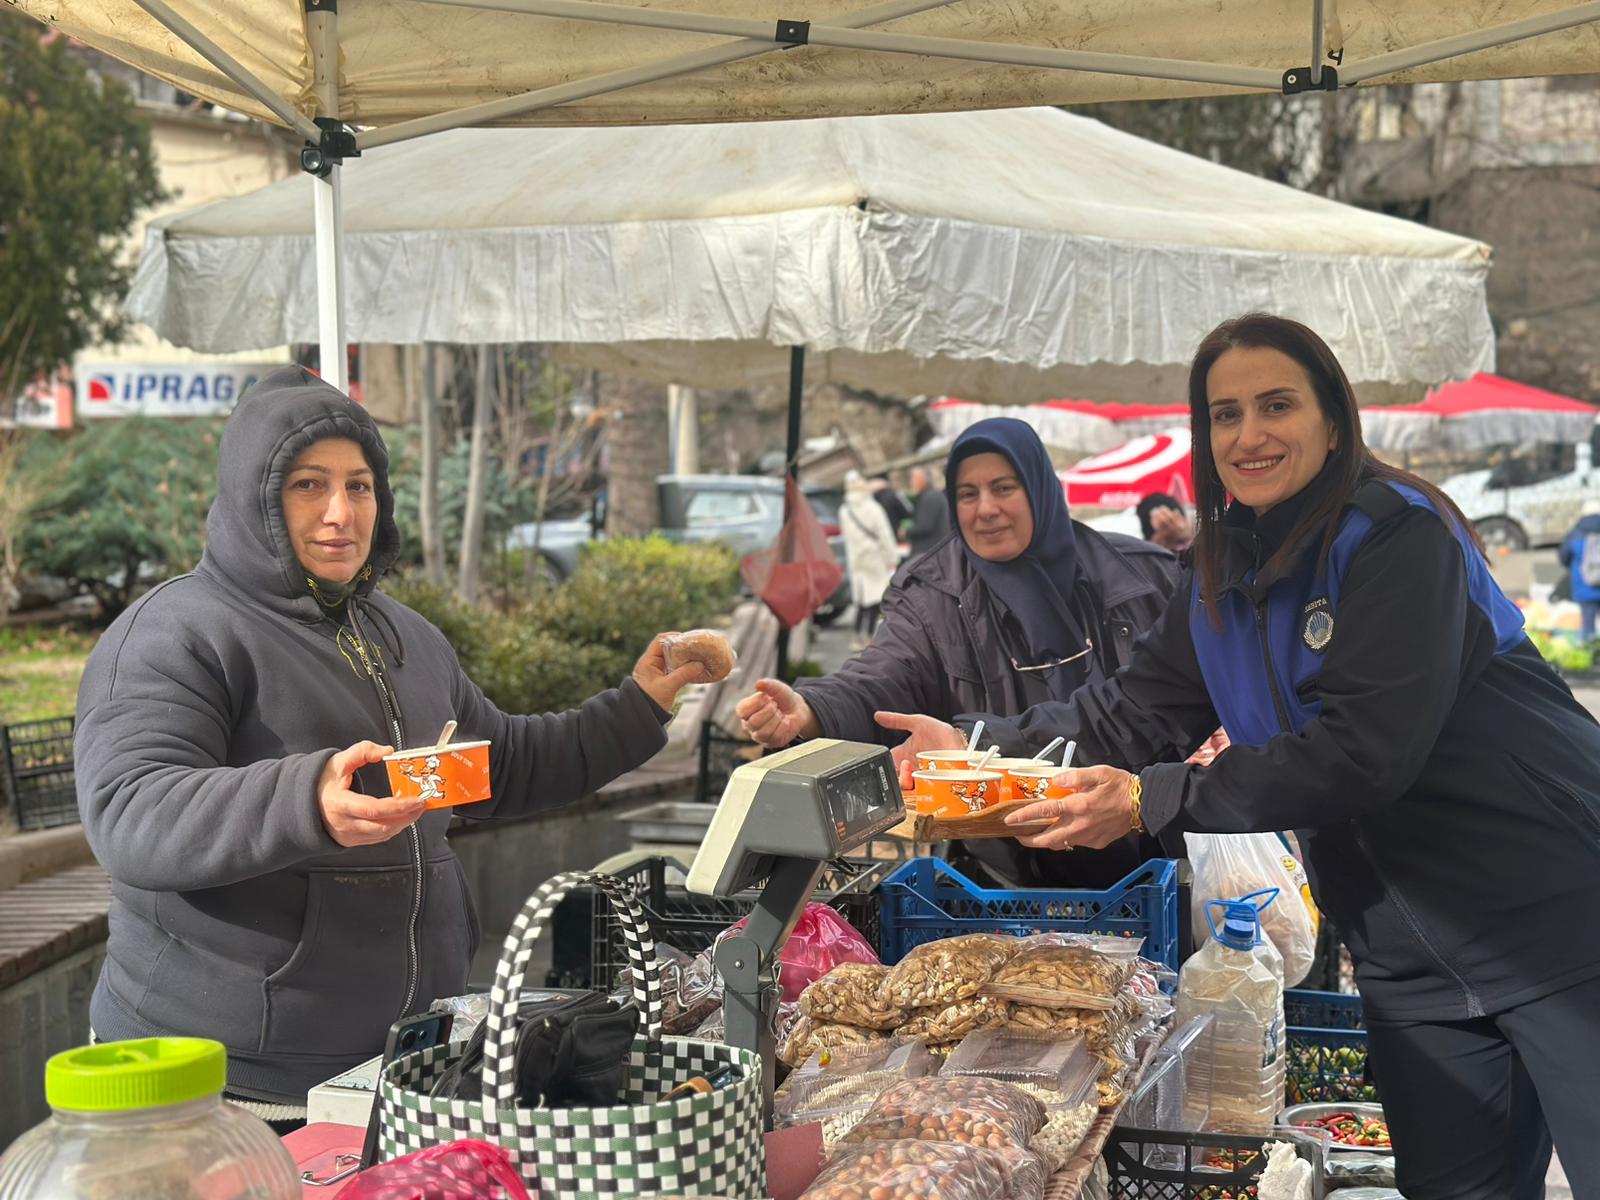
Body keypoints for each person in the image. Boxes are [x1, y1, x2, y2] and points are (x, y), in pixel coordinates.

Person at [883, 315, 1600, 1200]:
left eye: (1275, 405)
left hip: (1553, 916)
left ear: (1332, 419)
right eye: (1225, 415)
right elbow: (1136, 706)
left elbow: (1364, 754)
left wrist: (1154, 800)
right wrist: (975, 748)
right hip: (1405, 956)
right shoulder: (1215, 570)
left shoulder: (1396, 537)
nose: (1249, 434)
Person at [73, 367, 708, 1123]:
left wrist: (638, 705)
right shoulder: (174, 632)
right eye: (308, 485)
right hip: (228, 1089)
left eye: (360, 485)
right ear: (255, 497)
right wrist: (306, 798)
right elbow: (129, 813)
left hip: (396, 1069)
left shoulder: (406, 635)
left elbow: (500, 765)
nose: (341, 513)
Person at [737, 418, 1184, 888]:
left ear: (1040, 489)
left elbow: (1182, 693)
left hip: (1146, 856)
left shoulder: (1144, 577)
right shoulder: (933, 594)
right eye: (968, 494)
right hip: (1005, 876)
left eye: (1003, 487)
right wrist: (811, 709)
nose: (985, 509)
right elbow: (881, 677)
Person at [839, 470, 899, 649]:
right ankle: (868, 636)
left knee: (861, 600)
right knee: (875, 598)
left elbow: (846, 537)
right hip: (874, 557)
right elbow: (884, 535)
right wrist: (892, 558)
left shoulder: (844, 510)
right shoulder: (873, 508)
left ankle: (856, 636)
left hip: (856, 559)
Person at [1557, 497, 1600, 638]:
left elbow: (1564, 557)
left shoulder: (1575, 534)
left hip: (1584, 586)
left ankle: (1593, 655)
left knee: (1588, 629)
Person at [904, 465, 951, 560]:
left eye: (913, 479)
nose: (911, 483)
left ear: (923, 480)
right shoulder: (930, 496)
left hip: (932, 552)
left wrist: (906, 532)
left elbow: (924, 527)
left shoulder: (930, 497)